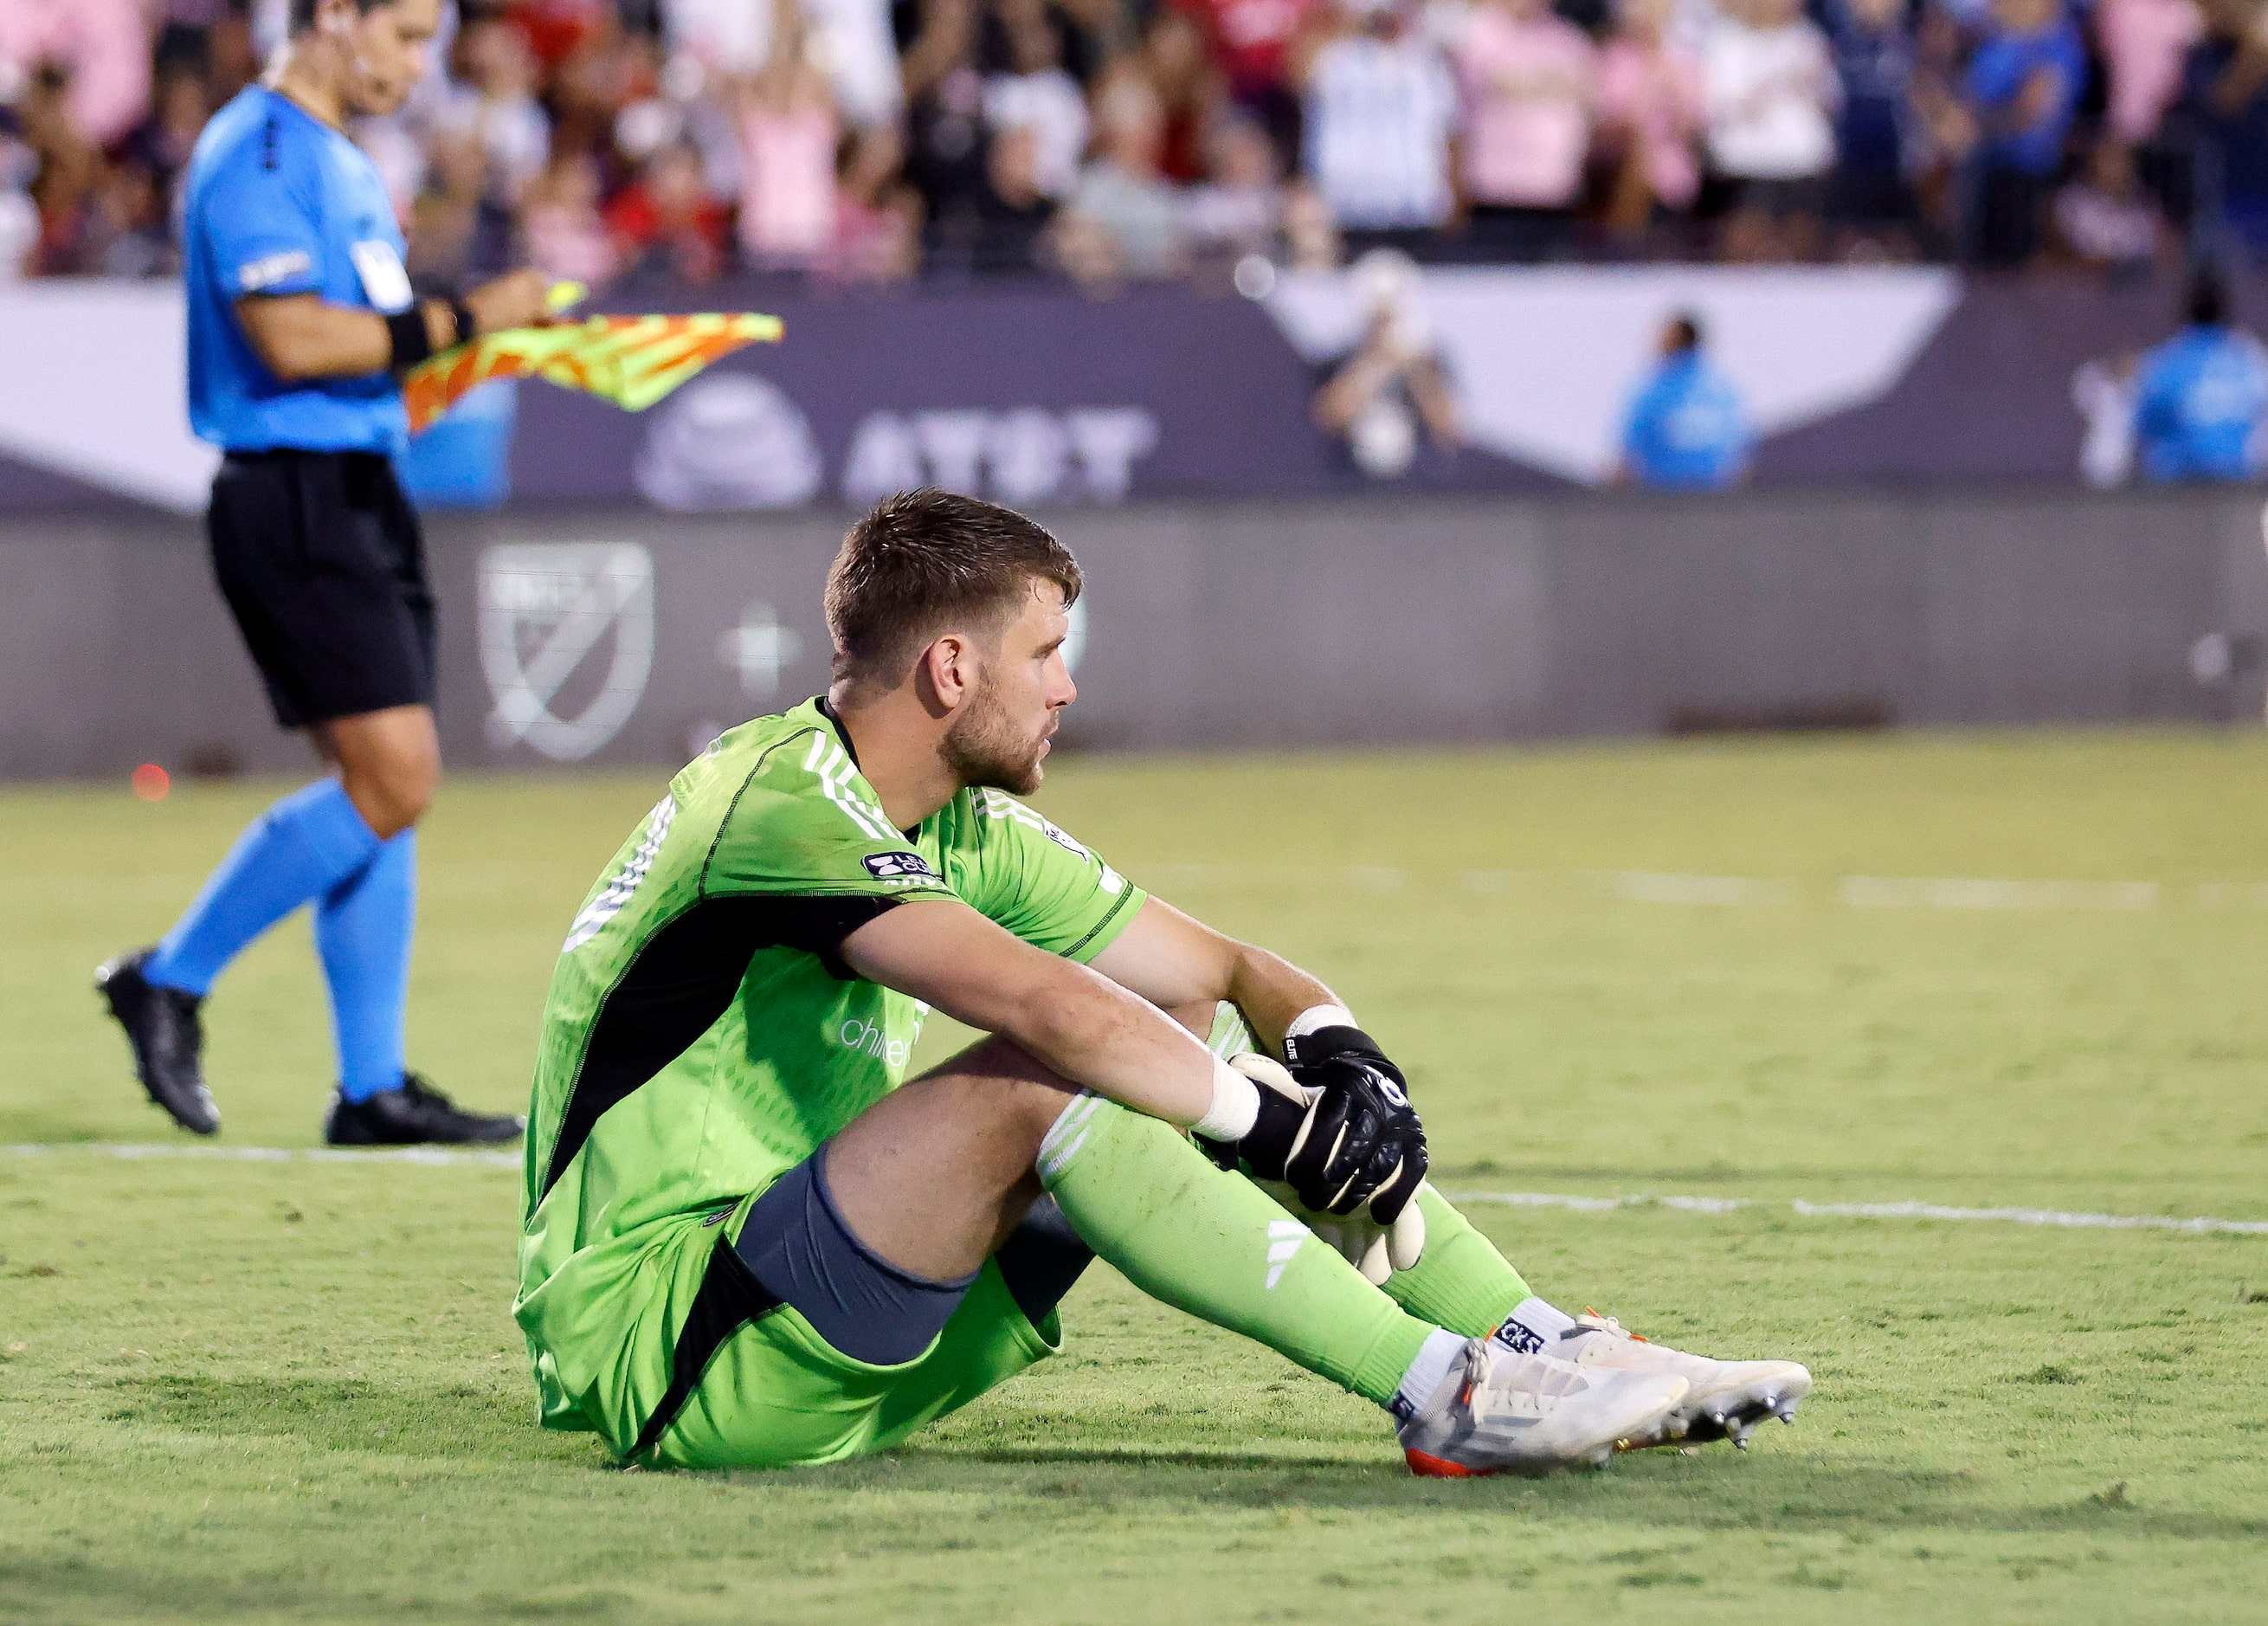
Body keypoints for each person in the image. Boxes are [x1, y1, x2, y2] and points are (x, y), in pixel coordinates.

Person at [514, 487, 1814, 1474]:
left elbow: (1229, 969)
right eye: (1047, 653)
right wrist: (1273, 1127)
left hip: (841, 1314)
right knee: (1063, 1067)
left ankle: (1537, 1342)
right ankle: (1447, 1392)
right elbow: (1045, 1012)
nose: (1069, 687)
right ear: (953, 669)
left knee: (1172, 1022)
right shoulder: (776, 802)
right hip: (677, 1344)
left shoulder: (957, 820)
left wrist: (1345, 1062)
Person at [94, 0, 550, 1145]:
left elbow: (377, 347)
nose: (416, 63)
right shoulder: (257, 149)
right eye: (400, 33)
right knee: (394, 780)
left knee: (377, 795)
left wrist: (486, 341)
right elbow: (290, 340)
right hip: (292, 493)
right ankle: (169, 976)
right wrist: (465, 314)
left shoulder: (341, 160)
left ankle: (371, 1088)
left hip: (359, 486)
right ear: (332, 15)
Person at [2132, 270, 2268, 483]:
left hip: (2178, 492)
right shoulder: (2250, 361)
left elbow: (2142, 425)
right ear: (2224, 313)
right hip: (2237, 486)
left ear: (2186, 312)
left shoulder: (2164, 363)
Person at [1618, 310, 1752, 487]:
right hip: (1715, 497)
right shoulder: (1722, 389)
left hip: (1661, 495)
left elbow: (1630, 448)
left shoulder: (1653, 391)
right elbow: (1740, 448)